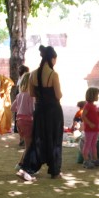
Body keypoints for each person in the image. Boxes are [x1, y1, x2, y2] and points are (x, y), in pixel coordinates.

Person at [16, 45, 64, 182]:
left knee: (38, 139)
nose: (55, 61)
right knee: (54, 140)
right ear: (52, 58)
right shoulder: (53, 75)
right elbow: (58, 95)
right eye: (55, 59)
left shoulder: (33, 74)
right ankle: (55, 171)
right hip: (53, 111)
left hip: (39, 110)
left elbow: (31, 93)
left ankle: (27, 167)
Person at [11, 73, 34, 171]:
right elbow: (32, 110)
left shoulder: (19, 95)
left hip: (19, 121)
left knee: (28, 144)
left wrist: (20, 109)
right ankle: (21, 164)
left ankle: (23, 163)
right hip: (28, 121)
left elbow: (12, 108)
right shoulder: (30, 96)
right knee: (29, 145)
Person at [81, 87, 99, 169]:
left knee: (94, 144)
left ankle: (94, 158)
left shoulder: (94, 106)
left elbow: (96, 115)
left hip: (95, 129)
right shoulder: (87, 106)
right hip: (89, 129)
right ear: (93, 96)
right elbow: (83, 116)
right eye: (97, 95)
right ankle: (86, 160)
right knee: (87, 144)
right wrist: (89, 123)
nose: (98, 97)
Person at [11, 65, 29, 138]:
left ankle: (21, 137)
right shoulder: (24, 79)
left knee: (19, 118)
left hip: (19, 98)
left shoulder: (20, 79)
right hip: (22, 98)